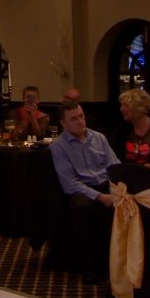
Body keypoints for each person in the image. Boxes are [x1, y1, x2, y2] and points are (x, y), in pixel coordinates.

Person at [50, 103, 119, 283]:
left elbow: (115, 168)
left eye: (81, 116)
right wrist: (101, 197)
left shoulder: (99, 138)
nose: (80, 121)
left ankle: (120, 265)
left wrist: (115, 191)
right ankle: (90, 268)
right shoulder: (58, 146)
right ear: (63, 123)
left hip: (105, 185)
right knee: (81, 208)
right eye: (74, 118)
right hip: (81, 190)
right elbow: (69, 183)